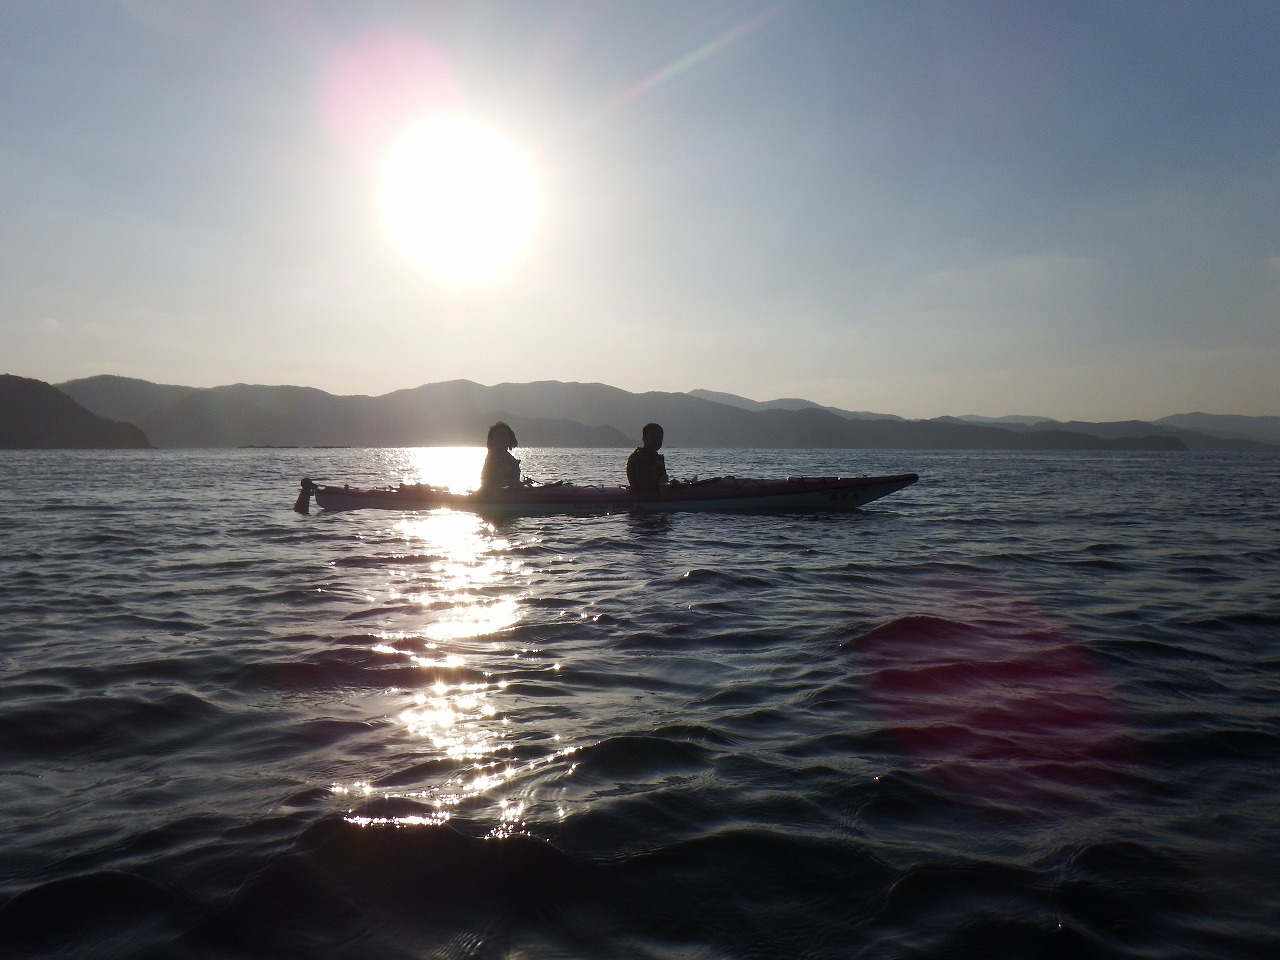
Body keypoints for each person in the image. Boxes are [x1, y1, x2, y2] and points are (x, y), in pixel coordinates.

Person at [626, 422, 670, 495]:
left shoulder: (656, 457)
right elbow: (643, 484)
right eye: (652, 437)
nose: (656, 440)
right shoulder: (639, 457)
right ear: (644, 439)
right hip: (643, 497)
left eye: (659, 437)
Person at [480, 421, 521, 490]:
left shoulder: (506, 455)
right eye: (498, 436)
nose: (501, 439)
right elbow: (491, 482)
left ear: (509, 437)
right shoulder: (493, 456)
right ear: (492, 440)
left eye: (504, 435)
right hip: (495, 494)